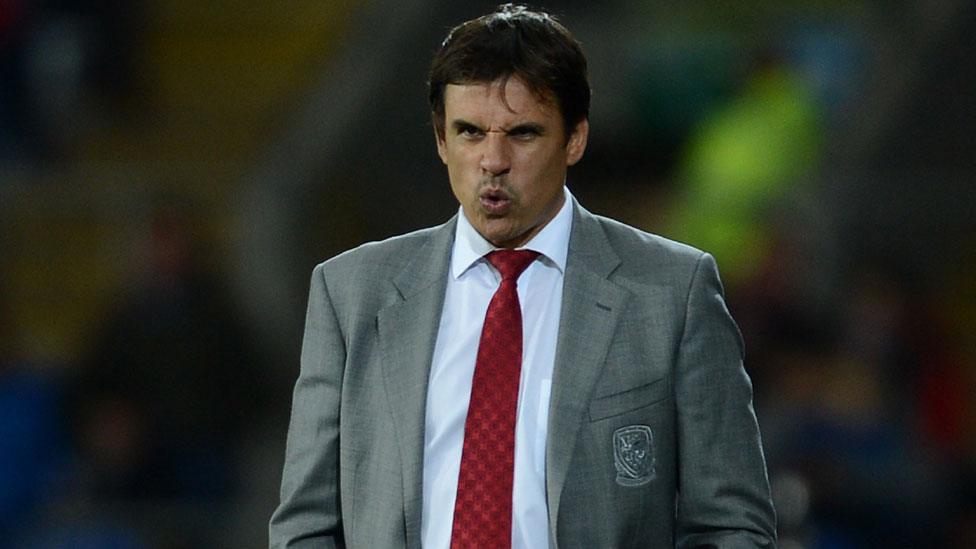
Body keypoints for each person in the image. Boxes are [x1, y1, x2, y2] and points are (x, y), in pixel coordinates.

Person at [270, 4, 776, 548]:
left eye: (523, 133)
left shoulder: (673, 294)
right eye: (469, 132)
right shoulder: (350, 293)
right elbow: (306, 524)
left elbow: (732, 526)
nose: (492, 159)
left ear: (574, 139)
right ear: (441, 141)